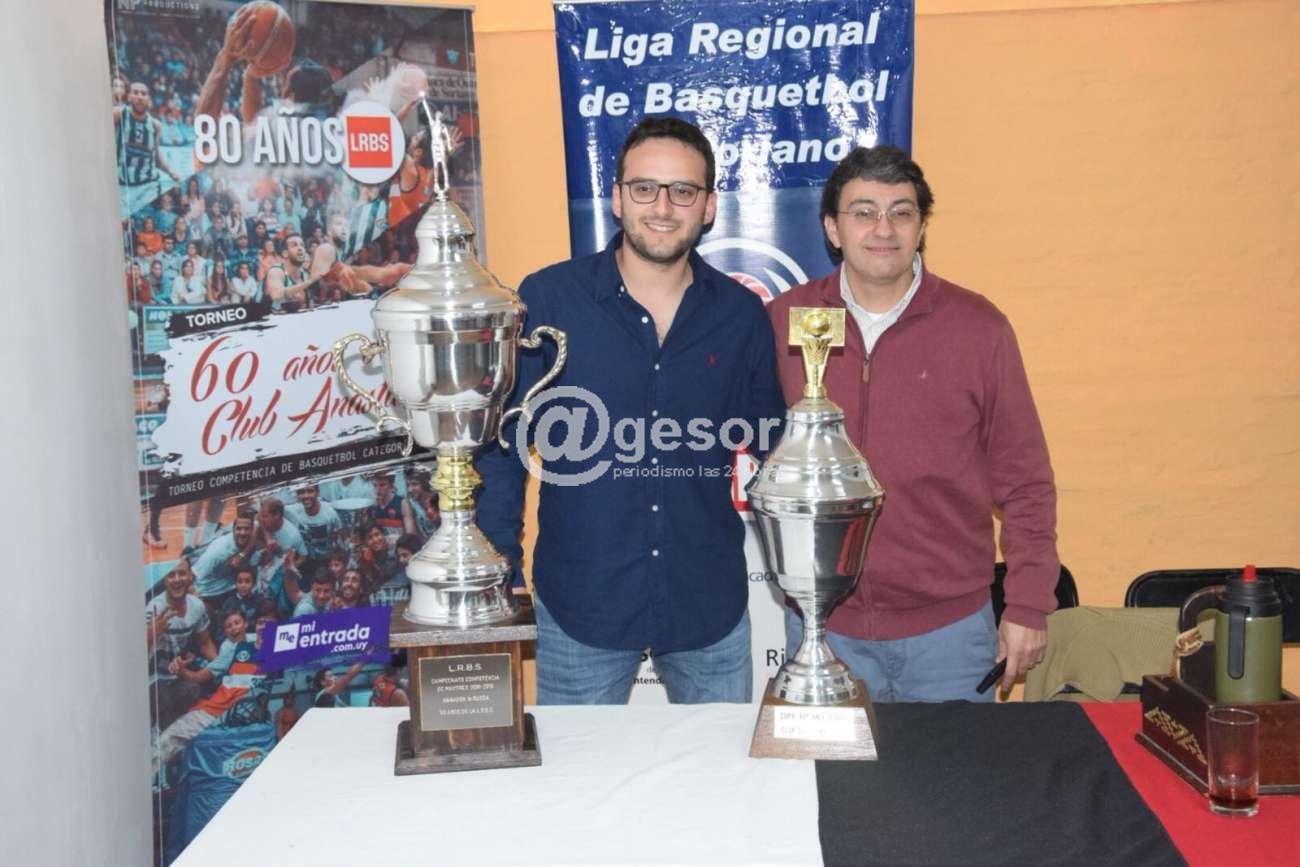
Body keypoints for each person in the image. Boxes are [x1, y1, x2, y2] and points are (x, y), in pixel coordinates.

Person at [476, 116, 785, 704]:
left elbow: (776, 451)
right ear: (617, 198)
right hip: (581, 605)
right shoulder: (548, 299)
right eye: (645, 188)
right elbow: (502, 445)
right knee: (575, 766)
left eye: (683, 191)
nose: (662, 207)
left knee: (719, 766)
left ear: (709, 206)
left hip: (707, 605)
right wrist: (500, 566)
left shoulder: (741, 315)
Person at [765, 146, 1060, 701]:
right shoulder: (783, 321)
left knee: (955, 764)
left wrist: (1027, 603)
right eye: (864, 212)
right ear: (832, 228)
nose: (884, 229)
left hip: (950, 634)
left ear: (922, 228)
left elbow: (1026, 480)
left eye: (901, 212)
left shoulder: (979, 328)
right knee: (826, 766)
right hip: (824, 629)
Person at [146, 560, 218, 730]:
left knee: (194, 689)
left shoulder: (197, 606)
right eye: (171, 575)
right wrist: (152, 632)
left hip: (178, 675)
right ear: (164, 580)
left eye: (182, 573)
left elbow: (205, 642)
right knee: (162, 698)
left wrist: (222, 667)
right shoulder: (154, 609)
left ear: (190, 576)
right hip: (152, 679)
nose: (177, 579)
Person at [114, 81, 181, 216]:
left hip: (148, 186)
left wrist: (171, 172)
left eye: (143, 94)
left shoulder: (156, 126)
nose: (139, 97)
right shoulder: (118, 114)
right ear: (129, 97)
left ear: (148, 99)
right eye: (135, 92)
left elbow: (155, 156)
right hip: (123, 186)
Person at [191, 507, 260, 619]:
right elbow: (192, 576)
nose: (242, 533)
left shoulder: (252, 539)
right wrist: (197, 602)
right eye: (239, 529)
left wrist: (242, 555)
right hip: (209, 593)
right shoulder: (218, 552)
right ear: (233, 530)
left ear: (253, 531)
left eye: (247, 529)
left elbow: (257, 524)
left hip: (230, 587)